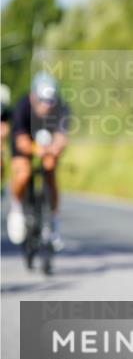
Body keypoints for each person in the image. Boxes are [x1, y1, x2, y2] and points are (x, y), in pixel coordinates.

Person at [7, 71, 70, 249]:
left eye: (50, 101)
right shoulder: (22, 106)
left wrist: (53, 148)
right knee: (24, 172)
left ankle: (54, 221)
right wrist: (36, 149)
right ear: (33, 96)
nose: (46, 106)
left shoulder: (61, 107)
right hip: (25, 144)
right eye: (42, 101)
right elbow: (20, 140)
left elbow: (61, 137)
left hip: (47, 144)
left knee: (50, 171)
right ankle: (17, 208)